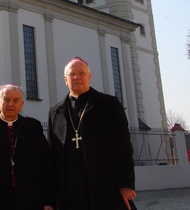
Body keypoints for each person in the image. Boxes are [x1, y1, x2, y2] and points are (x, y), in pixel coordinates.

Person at [48, 57, 136, 210]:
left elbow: (123, 147)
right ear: (65, 79)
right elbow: (51, 156)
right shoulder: (55, 112)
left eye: (81, 73)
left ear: (89, 77)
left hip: (104, 187)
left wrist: (126, 184)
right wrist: (50, 197)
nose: (77, 77)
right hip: (68, 192)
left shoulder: (108, 104)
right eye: (72, 74)